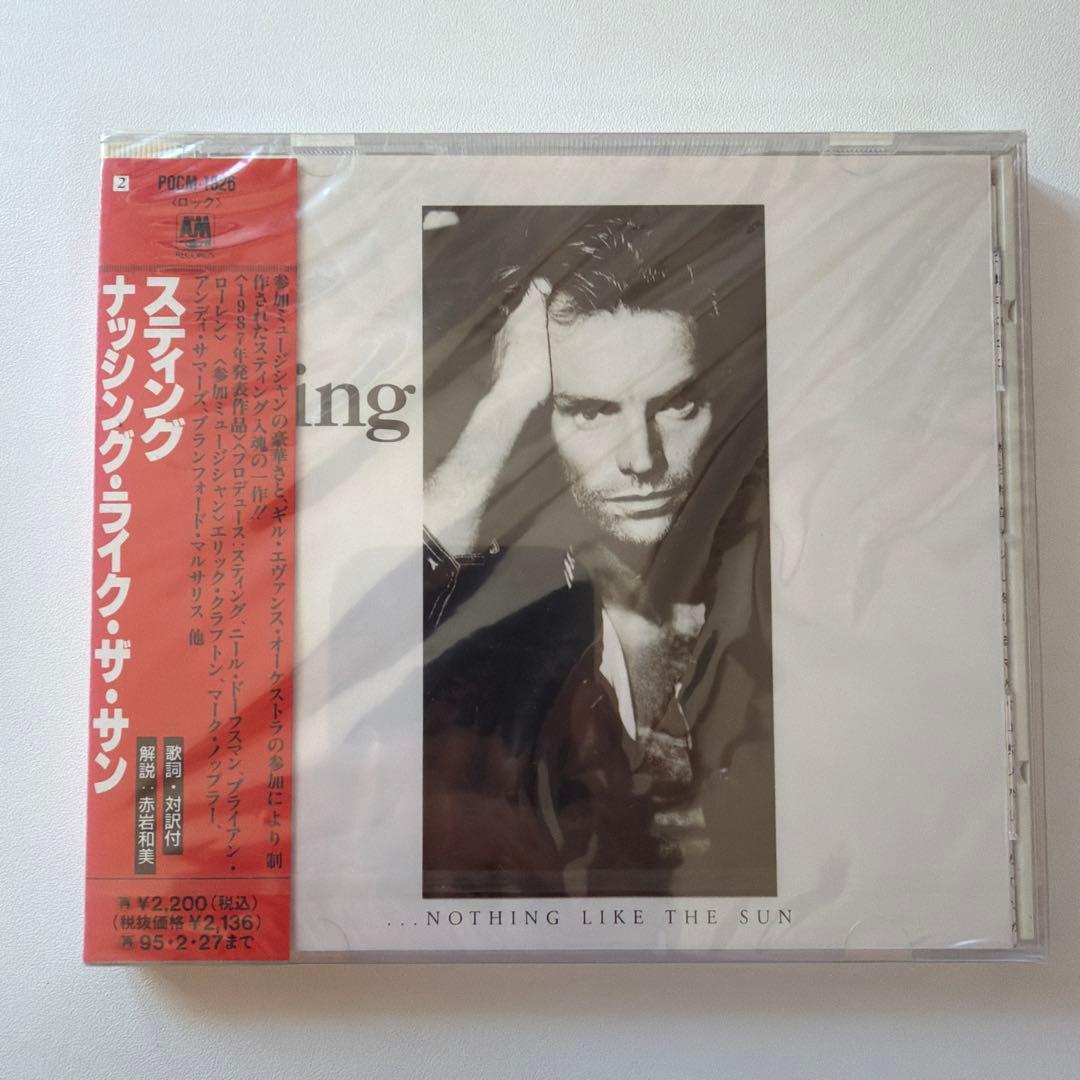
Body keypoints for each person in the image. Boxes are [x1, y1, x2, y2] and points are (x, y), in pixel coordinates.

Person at [421, 210, 774, 899]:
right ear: (542, 420)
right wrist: (504, 402)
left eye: (676, 406)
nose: (641, 459)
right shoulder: (504, 618)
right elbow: (382, 635)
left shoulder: (770, 579)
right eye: (590, 412)